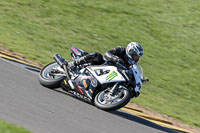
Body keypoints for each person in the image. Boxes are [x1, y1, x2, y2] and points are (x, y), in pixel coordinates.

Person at [68, 42, 144, 97]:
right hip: (103, 65)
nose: (136, 59)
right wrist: (115, 58)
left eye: (137, 57)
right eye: (135, 56)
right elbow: (107, 53)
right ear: (130, 52)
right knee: (97, 56)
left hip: (111, 75)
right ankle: (74, 64)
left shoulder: (131, 65)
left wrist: (138, 80)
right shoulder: (120, 50)